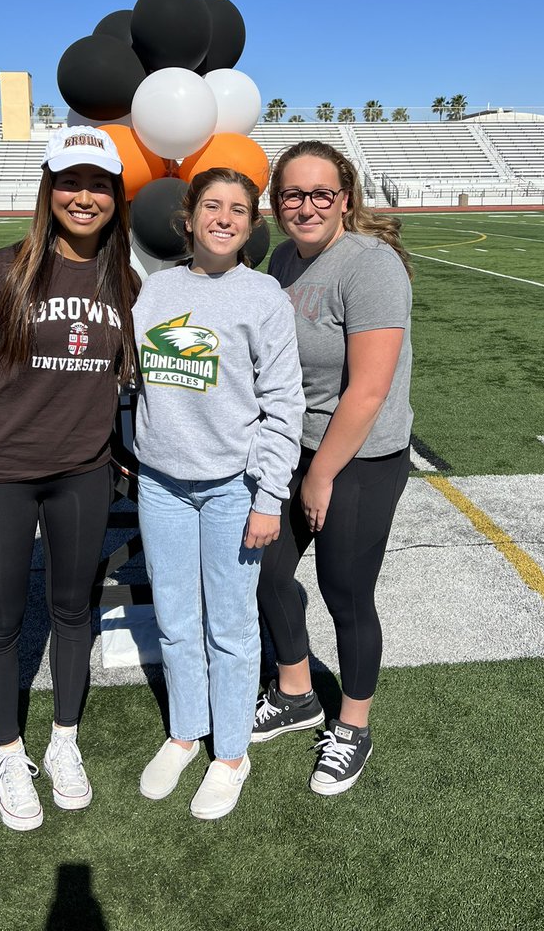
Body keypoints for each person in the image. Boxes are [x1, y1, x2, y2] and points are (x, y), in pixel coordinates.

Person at [0, 127, 138, 831]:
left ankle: (64, 745)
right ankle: (7, 753)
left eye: (99, 184)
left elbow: (121, 377)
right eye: (70, 182)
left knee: (73, 611)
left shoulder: (125, 281)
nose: (84, 196)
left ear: (117, 195)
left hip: (81, 475)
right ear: (49, 188)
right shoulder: (6, 270)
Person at [132, 167, 304, 820]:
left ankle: (230, 754)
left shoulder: (263, 296)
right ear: (189, 216)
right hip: (162, 484)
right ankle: (185, 732)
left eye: (238, 208)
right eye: (212, 205)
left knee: (230, 627)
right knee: (175, 621)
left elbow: (285, 405)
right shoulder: (154, 290)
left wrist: (268, 497)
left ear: (252, 224)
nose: (224, 217)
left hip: (233, 488)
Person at [253, 140, 413, 796]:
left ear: (345, 198)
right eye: (294, 194)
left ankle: (353, 724)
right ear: (278, 202)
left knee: (347, 593)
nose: (308, 206)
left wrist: (321, 476)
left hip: (360, 457)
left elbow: (368, 391)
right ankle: (296, 691)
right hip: (292, 446)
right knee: (260, 570)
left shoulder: (370, 266)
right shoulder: (282, 257)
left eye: (323, 193)